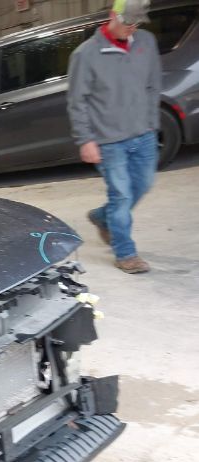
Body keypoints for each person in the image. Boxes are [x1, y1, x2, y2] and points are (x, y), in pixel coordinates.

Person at [67, 0, 161, 274]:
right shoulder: (86, 54)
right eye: (128, 22)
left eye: (137, 24)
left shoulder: (146, 42)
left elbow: (153, 84)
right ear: (113, 16)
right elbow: (77, 101)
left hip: (143, 133)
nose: (132, 29)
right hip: (109, 140)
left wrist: (152, 123)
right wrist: (86, 140)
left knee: (142, 185)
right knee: (121, 196)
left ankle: (101, 217)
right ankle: (126, 253)